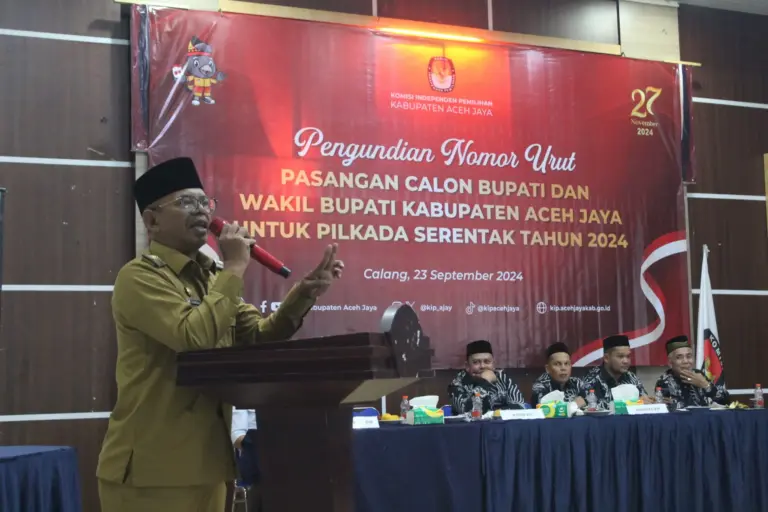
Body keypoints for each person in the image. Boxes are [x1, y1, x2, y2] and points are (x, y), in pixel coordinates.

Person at [96, 157, 344, 512]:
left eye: (204, 202)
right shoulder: (139, 277)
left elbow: (259, 337)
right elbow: (194, 339)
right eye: (186, 202)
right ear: (151, 221)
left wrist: (304, 293)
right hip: (151, 469)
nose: (201, 211)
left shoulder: (212, 277)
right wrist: (235, 267)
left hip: (209, 463)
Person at [448, 340, 526, 414]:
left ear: (493, 364)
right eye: (476, 362)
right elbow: (469, 411)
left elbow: (519, 408)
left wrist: (493, 414)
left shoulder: (504, 379)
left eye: (487, 362)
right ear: (467, 366)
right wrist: (485, 382)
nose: (482, 366)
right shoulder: (457, 384)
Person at [655, 335, 729, 408]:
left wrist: (705, 385)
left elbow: (725, 401)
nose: (686, 361)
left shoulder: (699, 374)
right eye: (679, 357)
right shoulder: (664, 382)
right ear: (670, 363)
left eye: (689, 356)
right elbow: (675, 408)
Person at [581, 334, 653, 409]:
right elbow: (594, 407)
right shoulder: (592, 379)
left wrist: (648, 401)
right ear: (606, 358)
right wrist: (635, 403)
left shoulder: (631, 377)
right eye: (620, 356)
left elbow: (644, 400)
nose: (626, 361)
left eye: (628, 356)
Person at [530, 342, 586, 407]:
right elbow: (544, 407)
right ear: (547, 369)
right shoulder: (540, 386)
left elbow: (591, 402)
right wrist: (573, 405)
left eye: (566, 363)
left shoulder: (576, 383)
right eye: (557, 364)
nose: (563, 368)